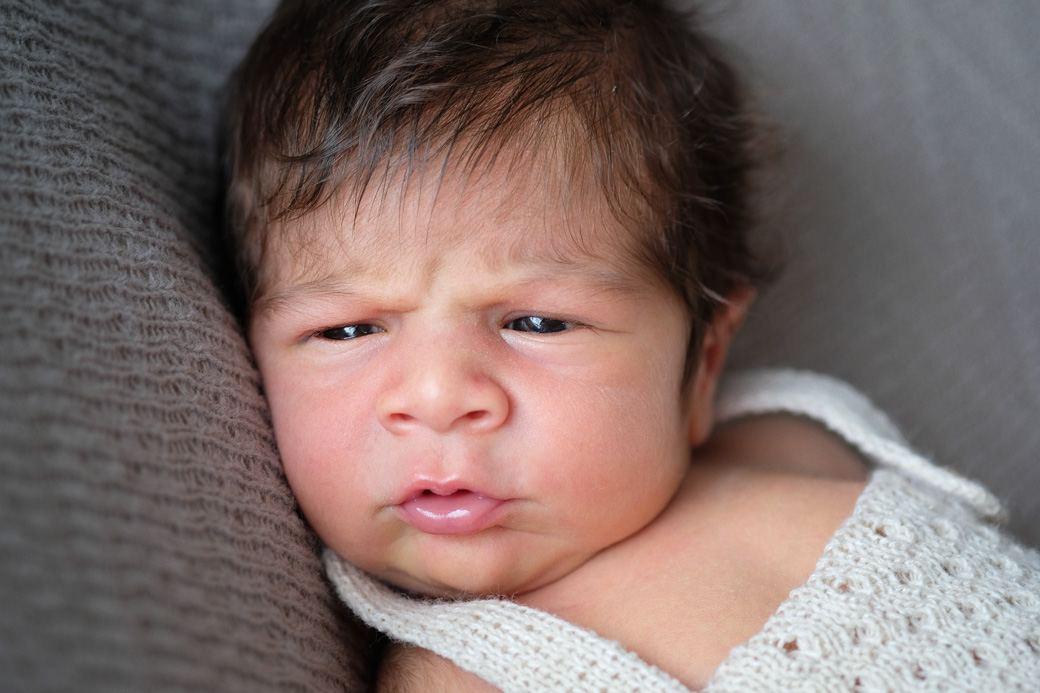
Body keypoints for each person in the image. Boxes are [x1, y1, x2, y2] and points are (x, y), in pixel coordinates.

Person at [223, 0, 1040, 690]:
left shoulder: (795, 431)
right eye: (347, 329)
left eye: (536, 322)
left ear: (704, 361)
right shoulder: (460, 677)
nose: (438, 396)